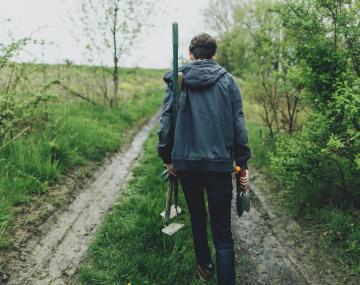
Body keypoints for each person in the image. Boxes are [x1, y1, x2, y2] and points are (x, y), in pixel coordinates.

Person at [157, 33, 251, 285]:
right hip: (219, 165)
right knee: (223, 233)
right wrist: (242, 162)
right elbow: (238, 125)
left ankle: (204, 266)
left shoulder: (178, 82)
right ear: (214, 55)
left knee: (197, 216)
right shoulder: (228, 82)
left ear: (190, 55)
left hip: (186, 166)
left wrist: (167, 157)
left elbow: (166, 122)